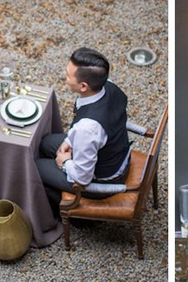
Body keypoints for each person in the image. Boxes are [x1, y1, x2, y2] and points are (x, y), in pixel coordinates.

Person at [36, 48, 131, 217]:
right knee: (45, 143)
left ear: (83, 86)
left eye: (68, 75)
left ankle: (64, 213)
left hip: (104, 179)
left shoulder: (87, 128)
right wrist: (70, 141)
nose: (64, 77)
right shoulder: (108, 85)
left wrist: (64, 163)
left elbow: (82, 178)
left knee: (34, 167)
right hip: (116, 153)